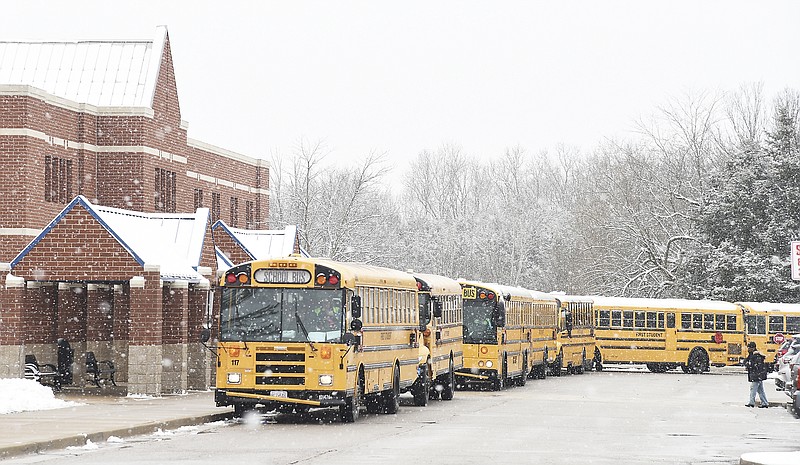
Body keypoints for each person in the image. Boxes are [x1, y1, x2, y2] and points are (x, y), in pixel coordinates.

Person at [743, 341, 769, 408]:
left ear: (753, 348)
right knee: (760, 390)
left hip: (756, 376)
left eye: (749, 347)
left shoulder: (756, 356)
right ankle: (765, 403)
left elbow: (755, 366)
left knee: (753, 389)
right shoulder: (752, 355)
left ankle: (751, 403)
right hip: (758, 376)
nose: (748, 349)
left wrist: (748, 366)